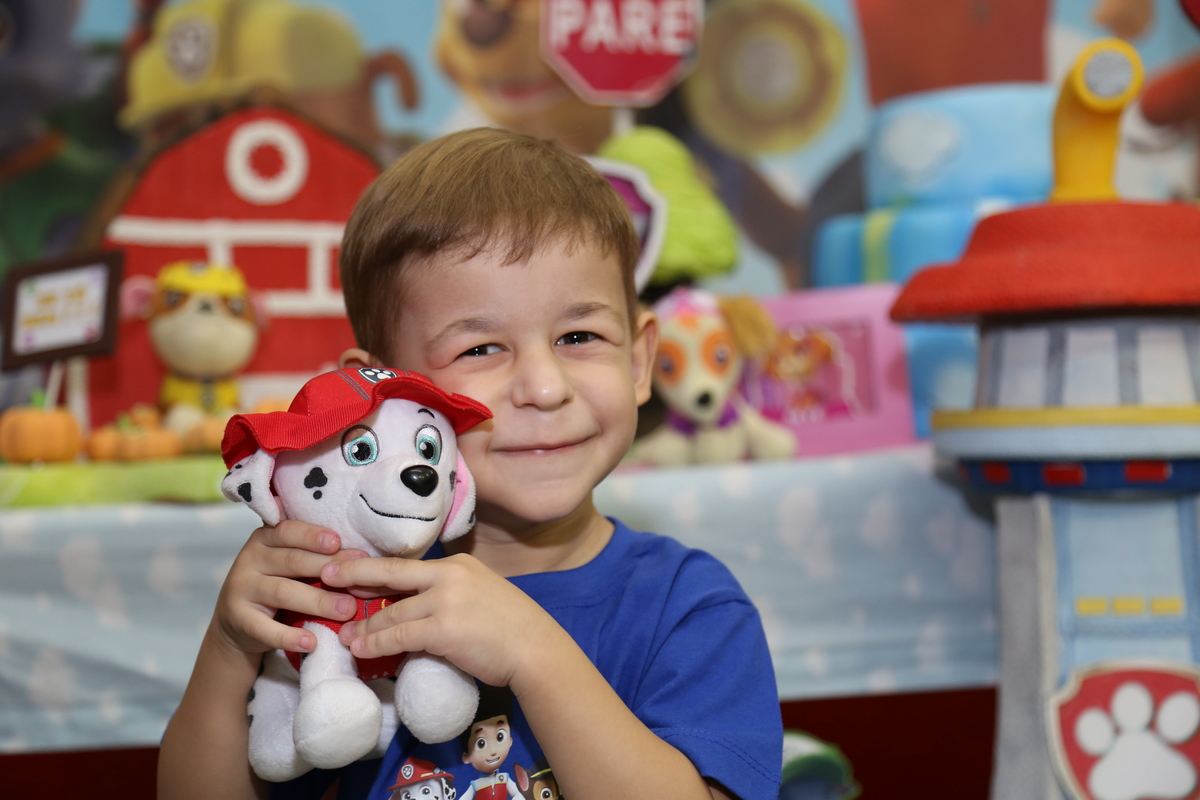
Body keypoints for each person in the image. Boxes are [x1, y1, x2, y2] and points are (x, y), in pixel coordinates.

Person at [158, 127, 782, 800]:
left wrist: (533, 653)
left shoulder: (689, 608)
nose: (544, 387)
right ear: (377, 392)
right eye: (480, 349)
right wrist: (230, 650)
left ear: (638, 360)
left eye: (579, 336)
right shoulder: (341, 594)